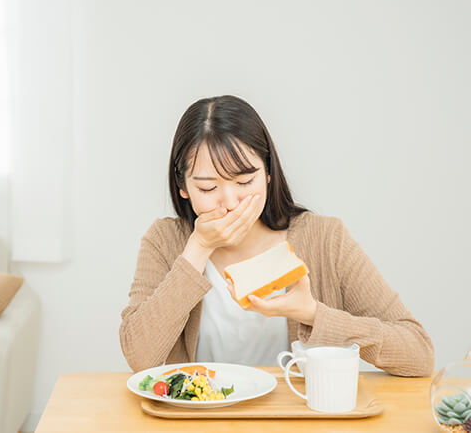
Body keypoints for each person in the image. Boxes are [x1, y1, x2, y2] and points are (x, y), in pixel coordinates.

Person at [119, 95, 434, 377]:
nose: (230, 203)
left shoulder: (325, 238)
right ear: (183, 188)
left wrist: (312, 313)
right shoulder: (165, 240)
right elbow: (140, 357)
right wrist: (199, 248)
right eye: (208, 188)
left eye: (244, 182)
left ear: (269, 173)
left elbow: (418, 353)